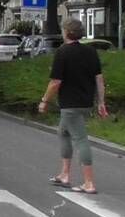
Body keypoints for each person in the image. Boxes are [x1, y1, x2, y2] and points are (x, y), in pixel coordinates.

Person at [39, 18, 108, 193]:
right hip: (86, 103)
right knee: (63, 132)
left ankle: (89, 183)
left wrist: (45, 101)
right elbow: (99, 79)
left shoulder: (63, 52)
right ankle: (64, 175)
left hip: (70, 104)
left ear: (66, 32)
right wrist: (101, 102)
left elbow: (55, 82)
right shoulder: (90, 52)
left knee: (80, 139)